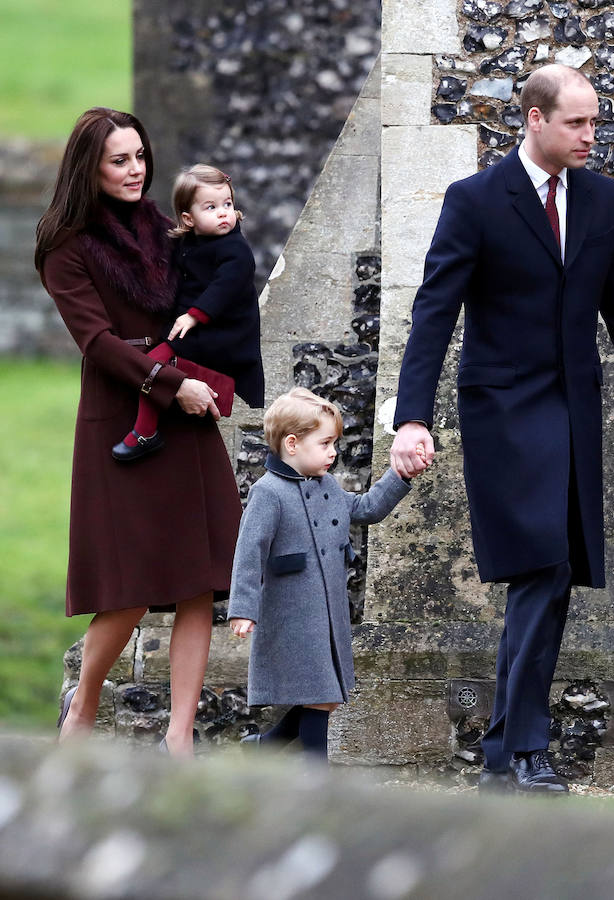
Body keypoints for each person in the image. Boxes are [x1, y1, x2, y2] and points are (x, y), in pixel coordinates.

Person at [389, 64, 614, 793]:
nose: (592, 135)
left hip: (574, 410)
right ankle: (524, 748)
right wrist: (411, 417)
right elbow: (433, 313)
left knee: (550, 573)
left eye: (595, 121)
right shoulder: (475, 201)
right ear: (533, 120)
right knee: (542, 564)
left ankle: (505, 751)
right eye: (577, 123)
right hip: (503, 411)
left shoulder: (604, 200)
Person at [36, 108, 245, 757]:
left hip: (185, 411)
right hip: (120, 417)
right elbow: (94, 340)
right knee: (126, 591)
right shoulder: (63, 247)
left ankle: (179, 739)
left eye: (139, 157)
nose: (135, 170)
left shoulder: (163, 228)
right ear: (89, 168)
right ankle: (85, 703)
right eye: (119, 160)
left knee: (195, 583)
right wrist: (167, 385)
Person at [228, 388, 412, 762]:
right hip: (292, 615)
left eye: (335, 443)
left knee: (324, 697)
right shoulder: (268, 492)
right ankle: (317, 782)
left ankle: (264, 748)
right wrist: (243, 608)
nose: (333, 452)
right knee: (318, 696)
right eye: (325, 443)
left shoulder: (326, 486)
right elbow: (249, 552)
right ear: (292, 444)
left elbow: (366, 508)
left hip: (329, 617)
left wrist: (400, 473)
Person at [112, 163, 264, 461]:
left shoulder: (235, 250)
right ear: (188, 218)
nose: (223, 212)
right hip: (199, 329)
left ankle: (145, 432)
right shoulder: (188, 243)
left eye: (228, 204)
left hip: (224, 332)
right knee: (159, 363)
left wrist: (195, 314)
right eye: (211, 207)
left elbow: (226, 286)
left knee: (155, 364)